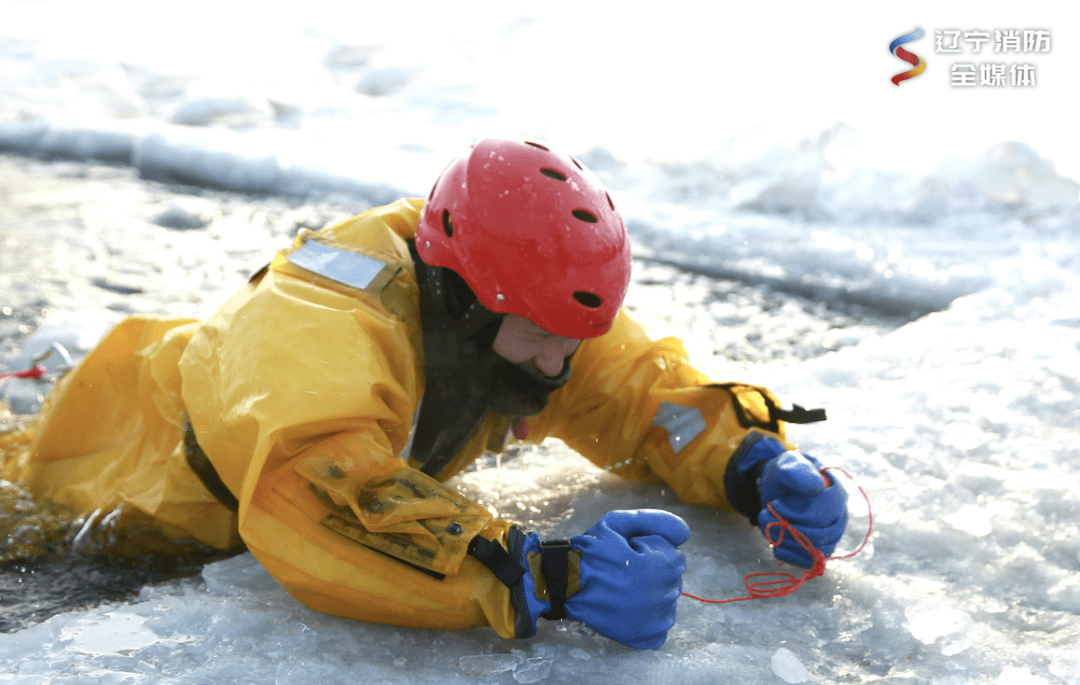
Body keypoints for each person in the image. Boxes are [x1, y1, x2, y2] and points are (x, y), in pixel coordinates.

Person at [0, 138, 848, 649]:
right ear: (470, 303)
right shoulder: (312, 326)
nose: (563, 363)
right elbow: (315, 489)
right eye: (547, 336)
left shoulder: (520, 306)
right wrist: (536, 572)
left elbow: (630, 389)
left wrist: (749, 457)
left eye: (574, 335)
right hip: (102, 485)